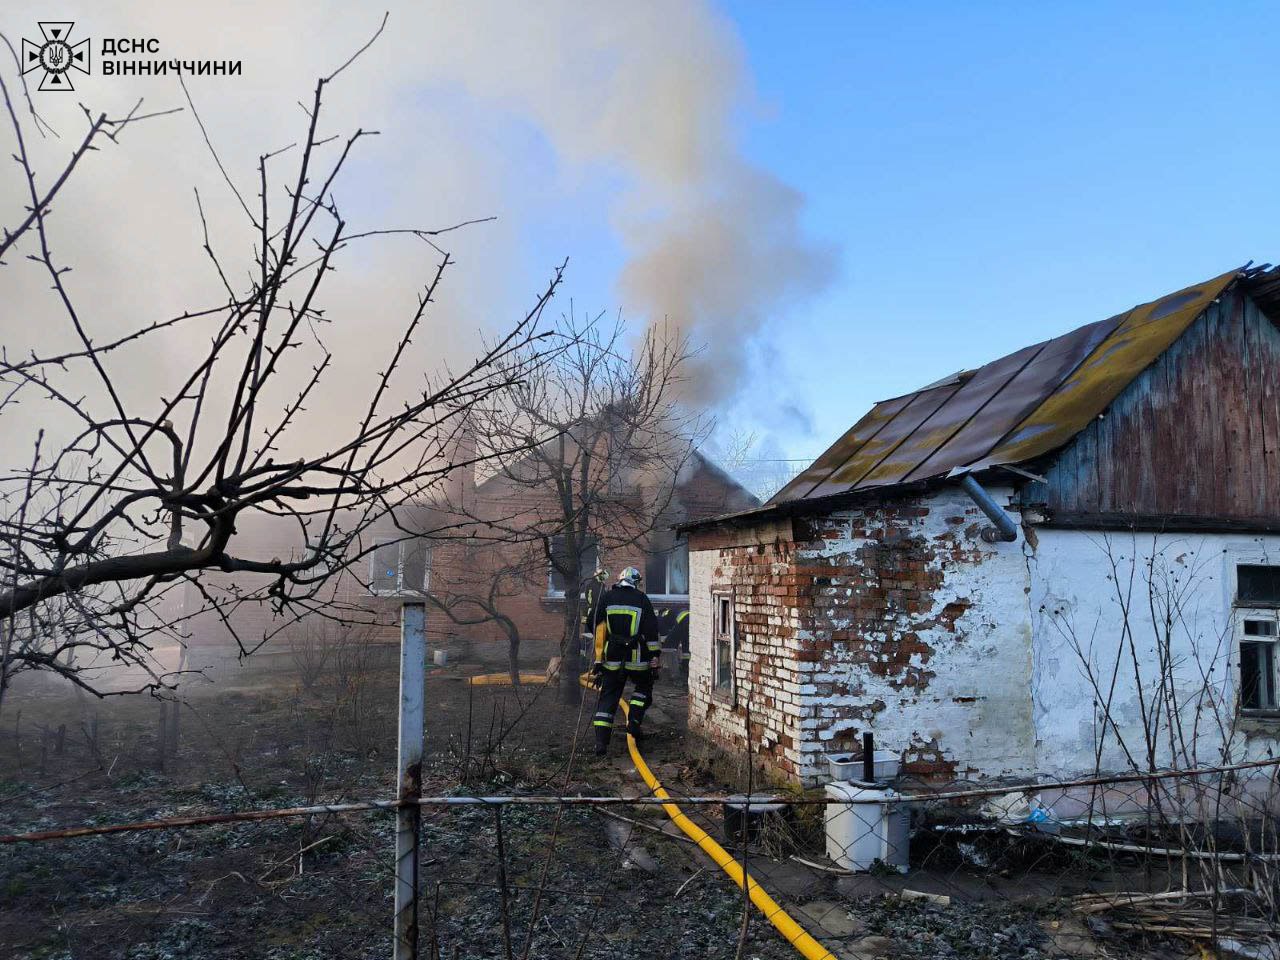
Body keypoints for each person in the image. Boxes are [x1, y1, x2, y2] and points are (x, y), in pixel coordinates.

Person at [589, 566, 660, 755]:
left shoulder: (607, 598)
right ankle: (634, 723)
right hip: (637, 658)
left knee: (608, 697)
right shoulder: (642, 599)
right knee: (644, 688)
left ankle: (601, 743)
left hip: (612, 657)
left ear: (620, 580)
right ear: (635, 583)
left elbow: (592, 622)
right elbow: (652, 630)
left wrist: (601, 650)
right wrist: (655, 655)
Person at [666, 608, 690, 686]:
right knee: (686, 643)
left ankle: (684, 666)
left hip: (685, 621)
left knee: (684, 642)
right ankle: (686, 665)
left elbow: (673, 628)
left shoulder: (669, 614)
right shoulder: (678, 611)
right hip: (690, 620)